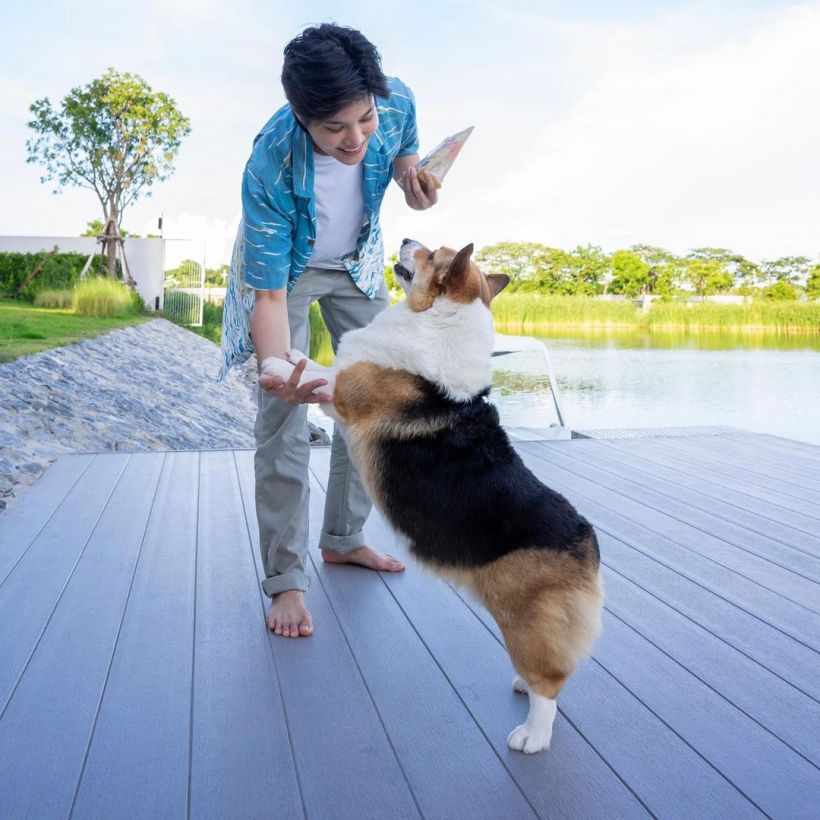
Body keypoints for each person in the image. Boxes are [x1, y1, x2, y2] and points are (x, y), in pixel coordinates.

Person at [219, 23, 439, 638]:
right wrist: (277, 371)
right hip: (284, 272)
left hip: (355, 264)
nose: (354, 139)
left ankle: (344, 538)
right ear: (300, 113)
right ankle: (286, 580)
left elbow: (403, 154)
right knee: (283, 417)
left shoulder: (393, 101)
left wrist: (413, 182)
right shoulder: (269, 162)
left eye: (363, 121)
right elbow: (266, 295)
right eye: (334, 129)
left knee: (370, 400)